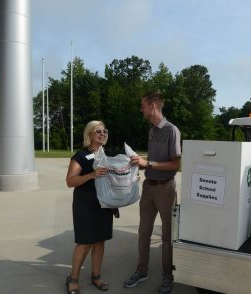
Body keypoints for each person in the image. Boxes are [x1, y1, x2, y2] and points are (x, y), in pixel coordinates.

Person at [124, 91, 181, 294]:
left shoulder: (172, 130)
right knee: (143, 233)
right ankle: (142, 271)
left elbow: (176, 163)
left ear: (154, 105)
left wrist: (148, 163)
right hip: (148, 187)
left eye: (143, 105)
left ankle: (167, 277)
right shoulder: (151, 130)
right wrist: (140, 163)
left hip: (166, 189)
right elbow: (153, 160)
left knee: (167, 238)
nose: (141, 109)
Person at [65, 120, 114, 294]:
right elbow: (70, 181)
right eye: (98, 131)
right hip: (85, 203)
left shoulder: (107, 155)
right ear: (90, 134)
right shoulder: (80, 155)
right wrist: (91, 175)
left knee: (100, 241)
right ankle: (73, 279)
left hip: (104, 203)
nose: (102, 134)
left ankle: (96, 276)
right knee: (84, 243)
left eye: (104, 131)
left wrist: (127, 180)